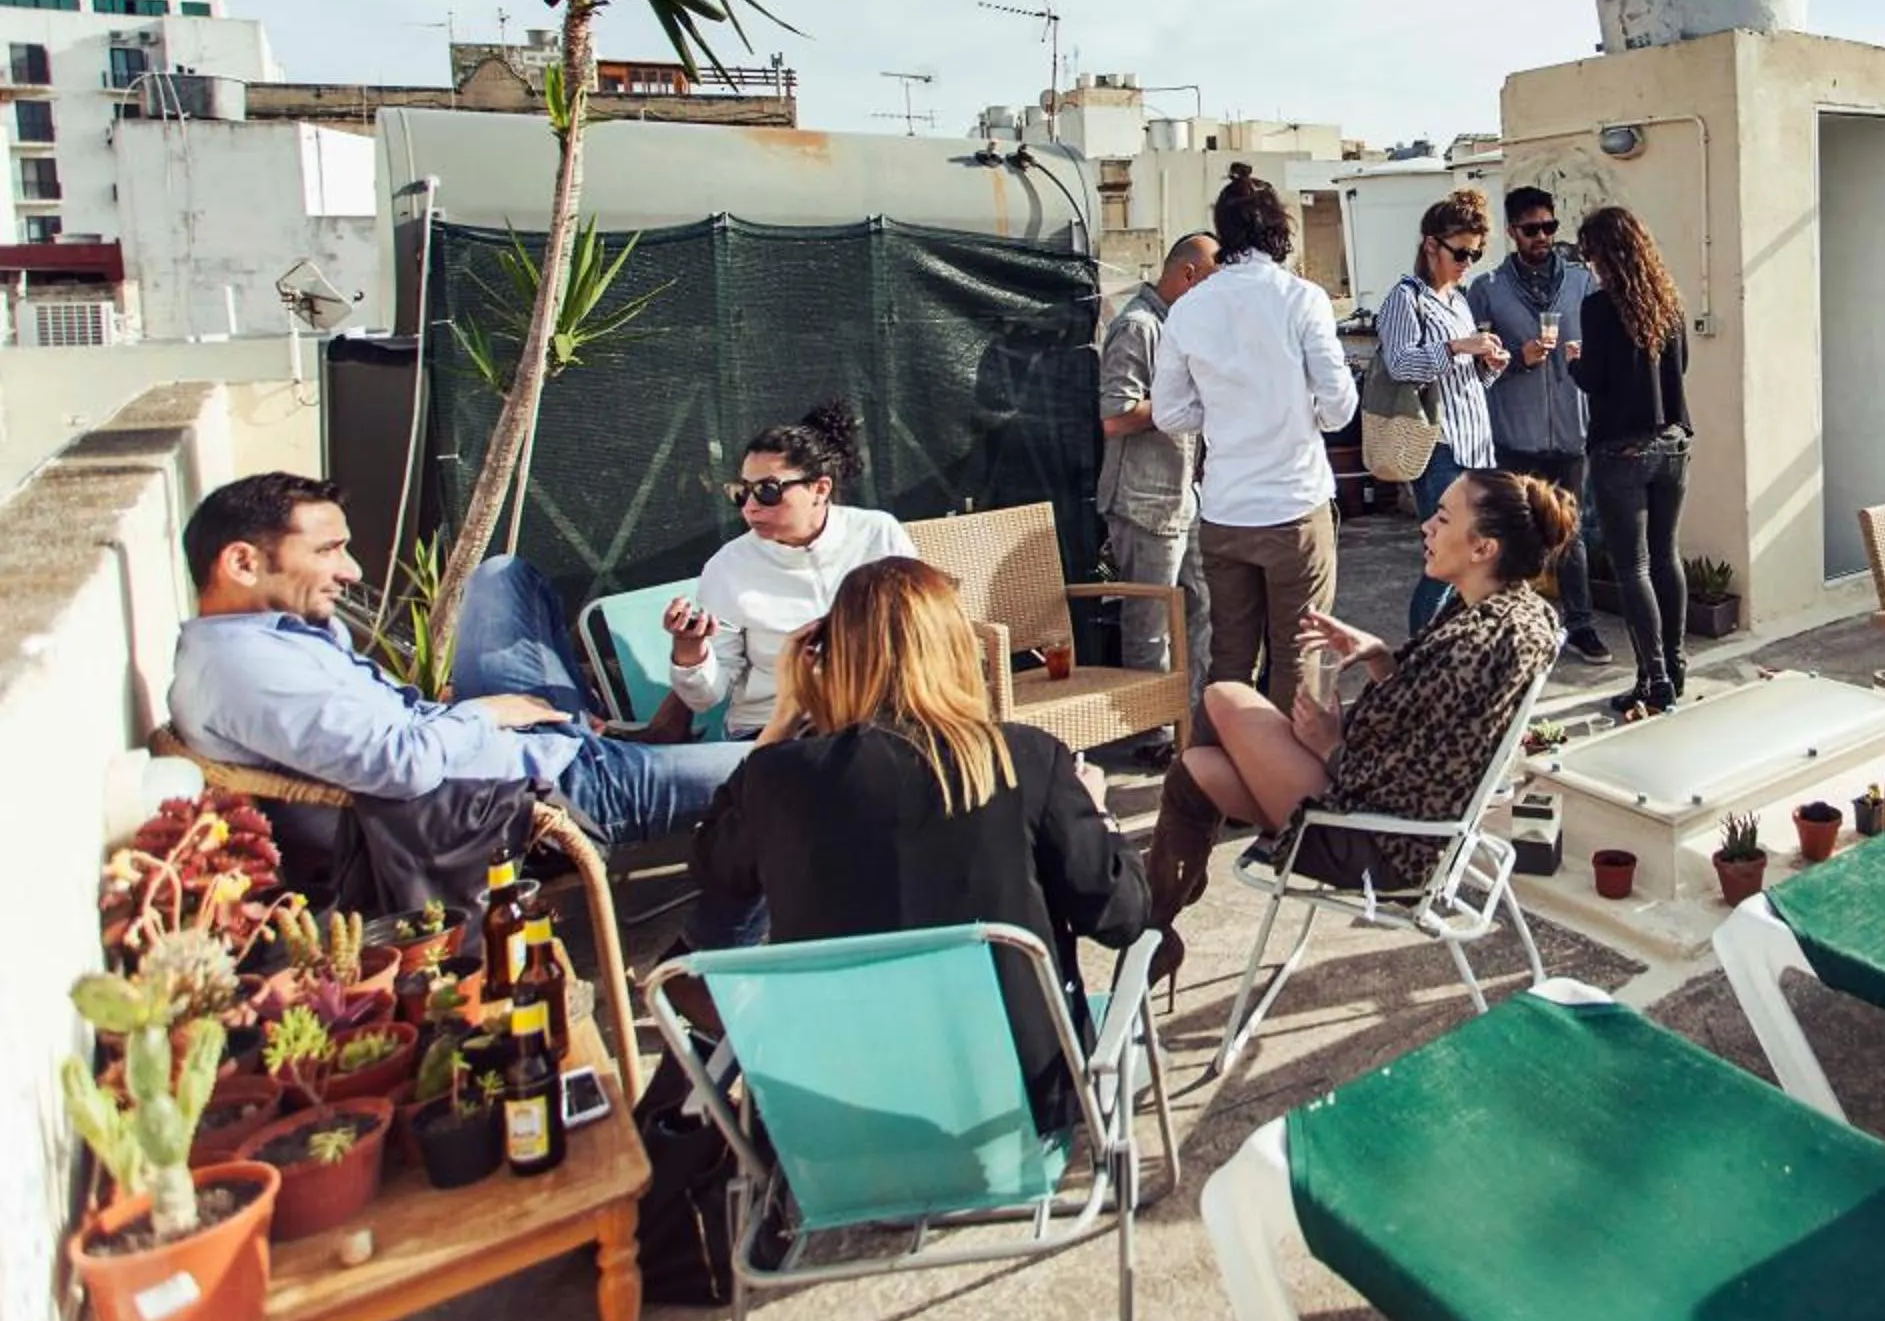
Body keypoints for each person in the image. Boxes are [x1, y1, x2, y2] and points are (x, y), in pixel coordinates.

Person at [166, 471, 758, 944]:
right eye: (329, 551)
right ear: (242, 563)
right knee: (787, 769)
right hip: (538, 793)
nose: (352, 571)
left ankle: (596, 730)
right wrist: (488, 714)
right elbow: (401, 766)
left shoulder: (268, 637)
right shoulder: (247, 668)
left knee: (503, 577)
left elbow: (390, 731)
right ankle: (707, 962)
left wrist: (482, 714)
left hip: (515, 746)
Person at [692, 558, 1149, 1132]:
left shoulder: (780, 779)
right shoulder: (1024, 759)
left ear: (836, 657)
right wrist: (1096, 808)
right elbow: (1123, 914)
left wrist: (779, 723)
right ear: (957, 649)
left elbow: (715, 864)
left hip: (840, 1115)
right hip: (1012, 1109)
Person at [1139, 467, 1571, 984]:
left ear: (1483, 549)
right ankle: (1152, 929)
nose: (1426, 528)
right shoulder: (1512, 615)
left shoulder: (1473, 646)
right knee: (1197, 767)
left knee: (1223, 697)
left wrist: (1329, 744)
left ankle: (1147, 923)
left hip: (1379, 845)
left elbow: (1392, 771)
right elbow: (1437, 729)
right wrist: (1379, 657)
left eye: (1442, 517)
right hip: (1389, 824)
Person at [1153, 164, 1358, 704]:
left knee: (1230, 662)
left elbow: (1169, 414)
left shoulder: (1189, 308)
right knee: (1300, 662)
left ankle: (1219, 777)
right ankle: (1289, 785)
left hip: (1224, 511)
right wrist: (1296, 410)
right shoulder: (1302, 298)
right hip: (1294, 506)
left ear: (1223, 235)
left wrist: (1225, 411)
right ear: (1279, 232)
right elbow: (1339, 406)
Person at [662, 399, 916, 741]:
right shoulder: (729, 566)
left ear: (820, 489)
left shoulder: (877, 534)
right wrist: (690, 651)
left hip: (872, 717)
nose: (750, 507)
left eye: (768, 491)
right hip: (769, 730)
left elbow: (921, 628)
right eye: (742, 492)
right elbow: (705, 698)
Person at [1469, 185, 1608, 664]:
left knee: (1571, 535)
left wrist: (1588, 357)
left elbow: (1602, 341)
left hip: (1571, 429)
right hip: (1515, 434)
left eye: (1549, 227)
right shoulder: (1487, 290)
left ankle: (1583, 625)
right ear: (1512, 232)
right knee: (1517, 538)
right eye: (1532, 230)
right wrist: (1518, 361)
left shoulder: (1581, 282)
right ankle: (1516, 633)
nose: (1543, 237)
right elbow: (1475, 369)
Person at [1570, 205, 1694, 717]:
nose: (1590, 264)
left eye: (1590, 254)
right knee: (1667, 557)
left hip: (1621, 450)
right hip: (1673, 444)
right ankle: (1677, 667)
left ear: (1604, 254)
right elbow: (1680, 366)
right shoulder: (1670, 305)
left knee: (1633, 567)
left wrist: (1574, 361)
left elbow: (1594, 381)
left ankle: (1655, 679)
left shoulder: (1600, 308)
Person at [1098, 232, 1220, 707]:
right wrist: (1182, 401)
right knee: (1150, 622)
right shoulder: (1138, 327)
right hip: (1144, 501)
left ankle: (1192, 716)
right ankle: (1154, 728)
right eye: (1210, 282)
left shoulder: (1178, 326)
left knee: (1202, 608)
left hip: (1182, 495)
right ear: (1188, 274)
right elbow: (1115, 416)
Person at [1379, 186, 1505, 636]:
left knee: (1473, 559)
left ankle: (1449, 649)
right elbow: (1399, 364)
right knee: (1445, 561)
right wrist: (1457, 345)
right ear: (1431, 245)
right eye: (1461, 253)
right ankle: (1421, 657)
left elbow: (1462, 378)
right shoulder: (1405, 297)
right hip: (1438, 446)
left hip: (1475, 443)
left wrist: (1488, 365)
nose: (1468, 263)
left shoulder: (1458, 298)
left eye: (1475, 254)